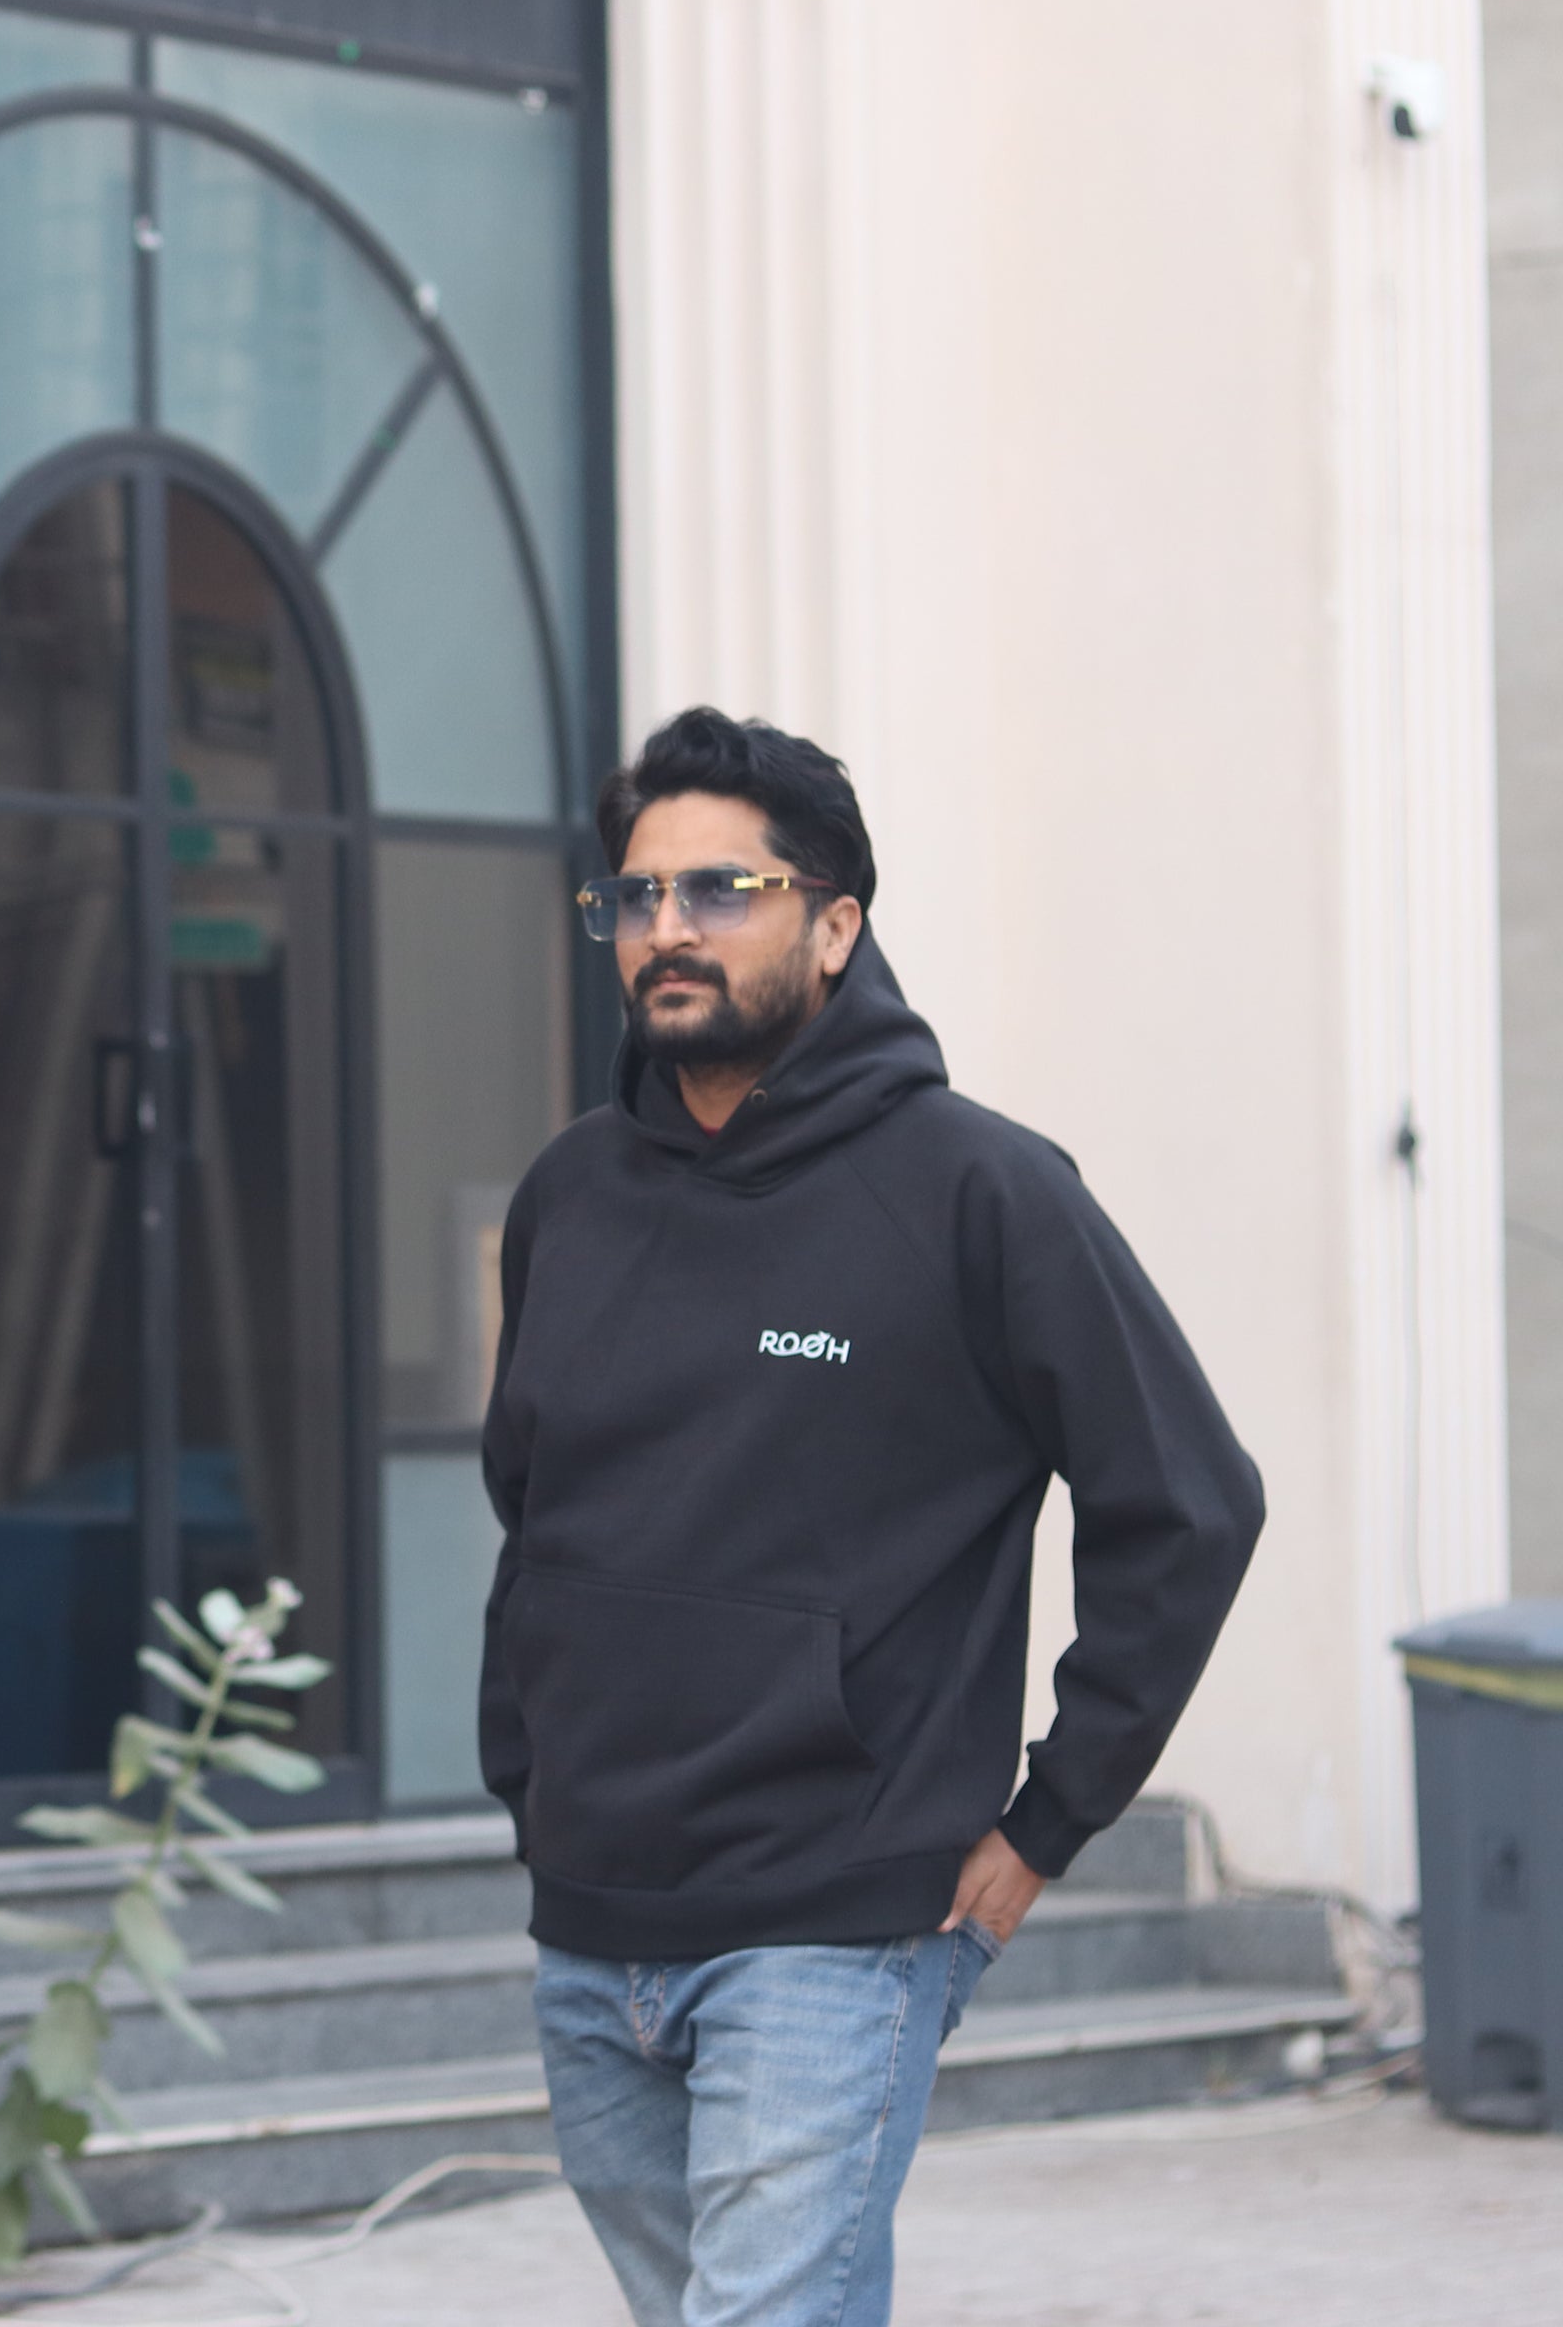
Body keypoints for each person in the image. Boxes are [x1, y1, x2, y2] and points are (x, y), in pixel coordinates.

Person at [478, 707, 1263, 2327]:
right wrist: (534, 1791)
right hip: (593, 1916)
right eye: (634, 899)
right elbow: (534, 1519)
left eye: (721, 890)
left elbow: (1186, 1503)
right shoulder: (567, 1196)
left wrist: (1052, 1817)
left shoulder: (980, 1191)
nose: (665, 931)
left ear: (836, 924)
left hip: (836, 1924)